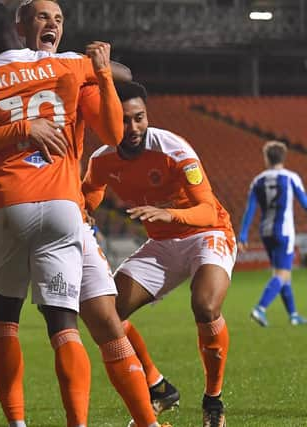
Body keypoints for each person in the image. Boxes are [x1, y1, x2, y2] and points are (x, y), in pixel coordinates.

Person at [0, 2, 174, 427]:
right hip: (63, 211)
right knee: (58, 327)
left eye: (59, 19)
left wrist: (97, 70)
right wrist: (98, 67)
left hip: (16, 209)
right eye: (43, 17)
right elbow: (119, 121)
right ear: (18, 26)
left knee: (16, 321)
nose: (53, 25)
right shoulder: (70, 68)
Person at [82, 81, 235, 427]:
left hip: (205, 233)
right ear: (109, 119)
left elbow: (208, 211)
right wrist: (84, 210)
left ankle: (213, 400)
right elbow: (90, 190)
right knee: (107, 313)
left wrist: (171, 215)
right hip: (163, 245)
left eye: (139, 118)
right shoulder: (102, 159)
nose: (133, 128)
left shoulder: (173, 149)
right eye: (124, 120)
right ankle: (158, 386)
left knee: (205, 306)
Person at [238, 140, 307, 327]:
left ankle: (293, 315)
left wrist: (243, 235)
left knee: (282, 274)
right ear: (283, 157)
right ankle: (260, 309)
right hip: (284, 232)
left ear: (267, 158)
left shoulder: (258, 180)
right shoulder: (291, 177)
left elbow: (250, 209)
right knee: (282, 274)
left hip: (266, 232)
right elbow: (305, 203)